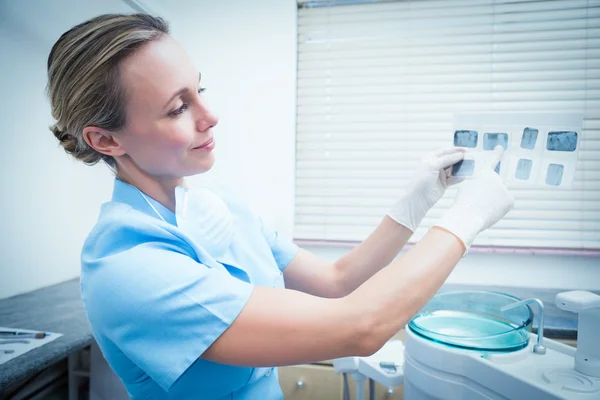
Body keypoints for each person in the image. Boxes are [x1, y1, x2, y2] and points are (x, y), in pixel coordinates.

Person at [47, 13, 514, 400]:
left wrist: (414, 205)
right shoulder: (128, 268)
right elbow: (361, 325)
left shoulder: (217, 208)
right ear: (106, 139)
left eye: (200, 92)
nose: (210, 117)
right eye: (177, 108)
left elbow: (336, 283)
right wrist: (465, 220)